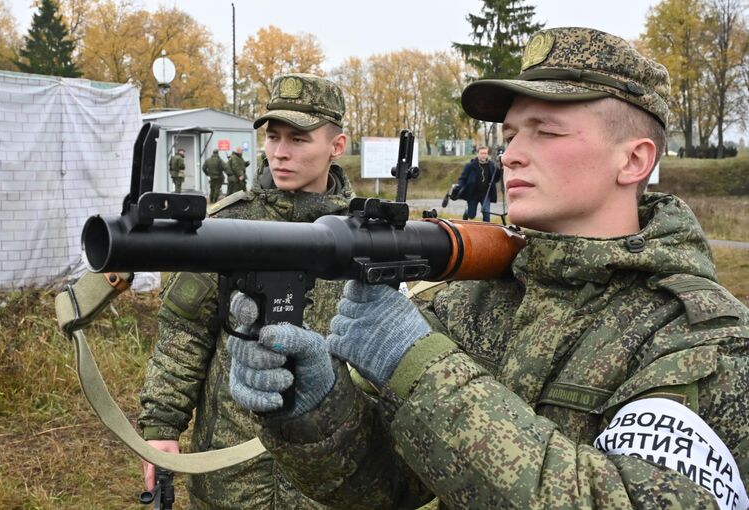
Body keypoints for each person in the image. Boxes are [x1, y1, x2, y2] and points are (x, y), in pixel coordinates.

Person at [227, 27, 749, 510]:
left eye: (545, 131)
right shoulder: (474, 303)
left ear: (634, 161)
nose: (512, 155)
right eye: (511, 134)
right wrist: (312, 405)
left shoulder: (699, 338)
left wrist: (419, 367)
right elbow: (382, 484)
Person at [138, 72, 352, 509]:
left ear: (337, 146)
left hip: (330, 476)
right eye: (273, 137)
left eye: (298, 138)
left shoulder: (365, 238)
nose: (280, 152)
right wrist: (161, 426)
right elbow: (185, 332)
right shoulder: (227, 228)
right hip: (230, 472)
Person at [456, 145, 501, 221]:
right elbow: (462, 178)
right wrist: (459, 186)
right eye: (482, 153)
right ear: (477, 154)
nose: (484, 155)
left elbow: (495, 178)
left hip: (486, 194)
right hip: (473, 194)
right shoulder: (470, 166)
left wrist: (500, 169)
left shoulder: (491, 165)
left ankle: (486, 231)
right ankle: (466, 213)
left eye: (485, 153)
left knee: (486, 213)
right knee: (472, 215)